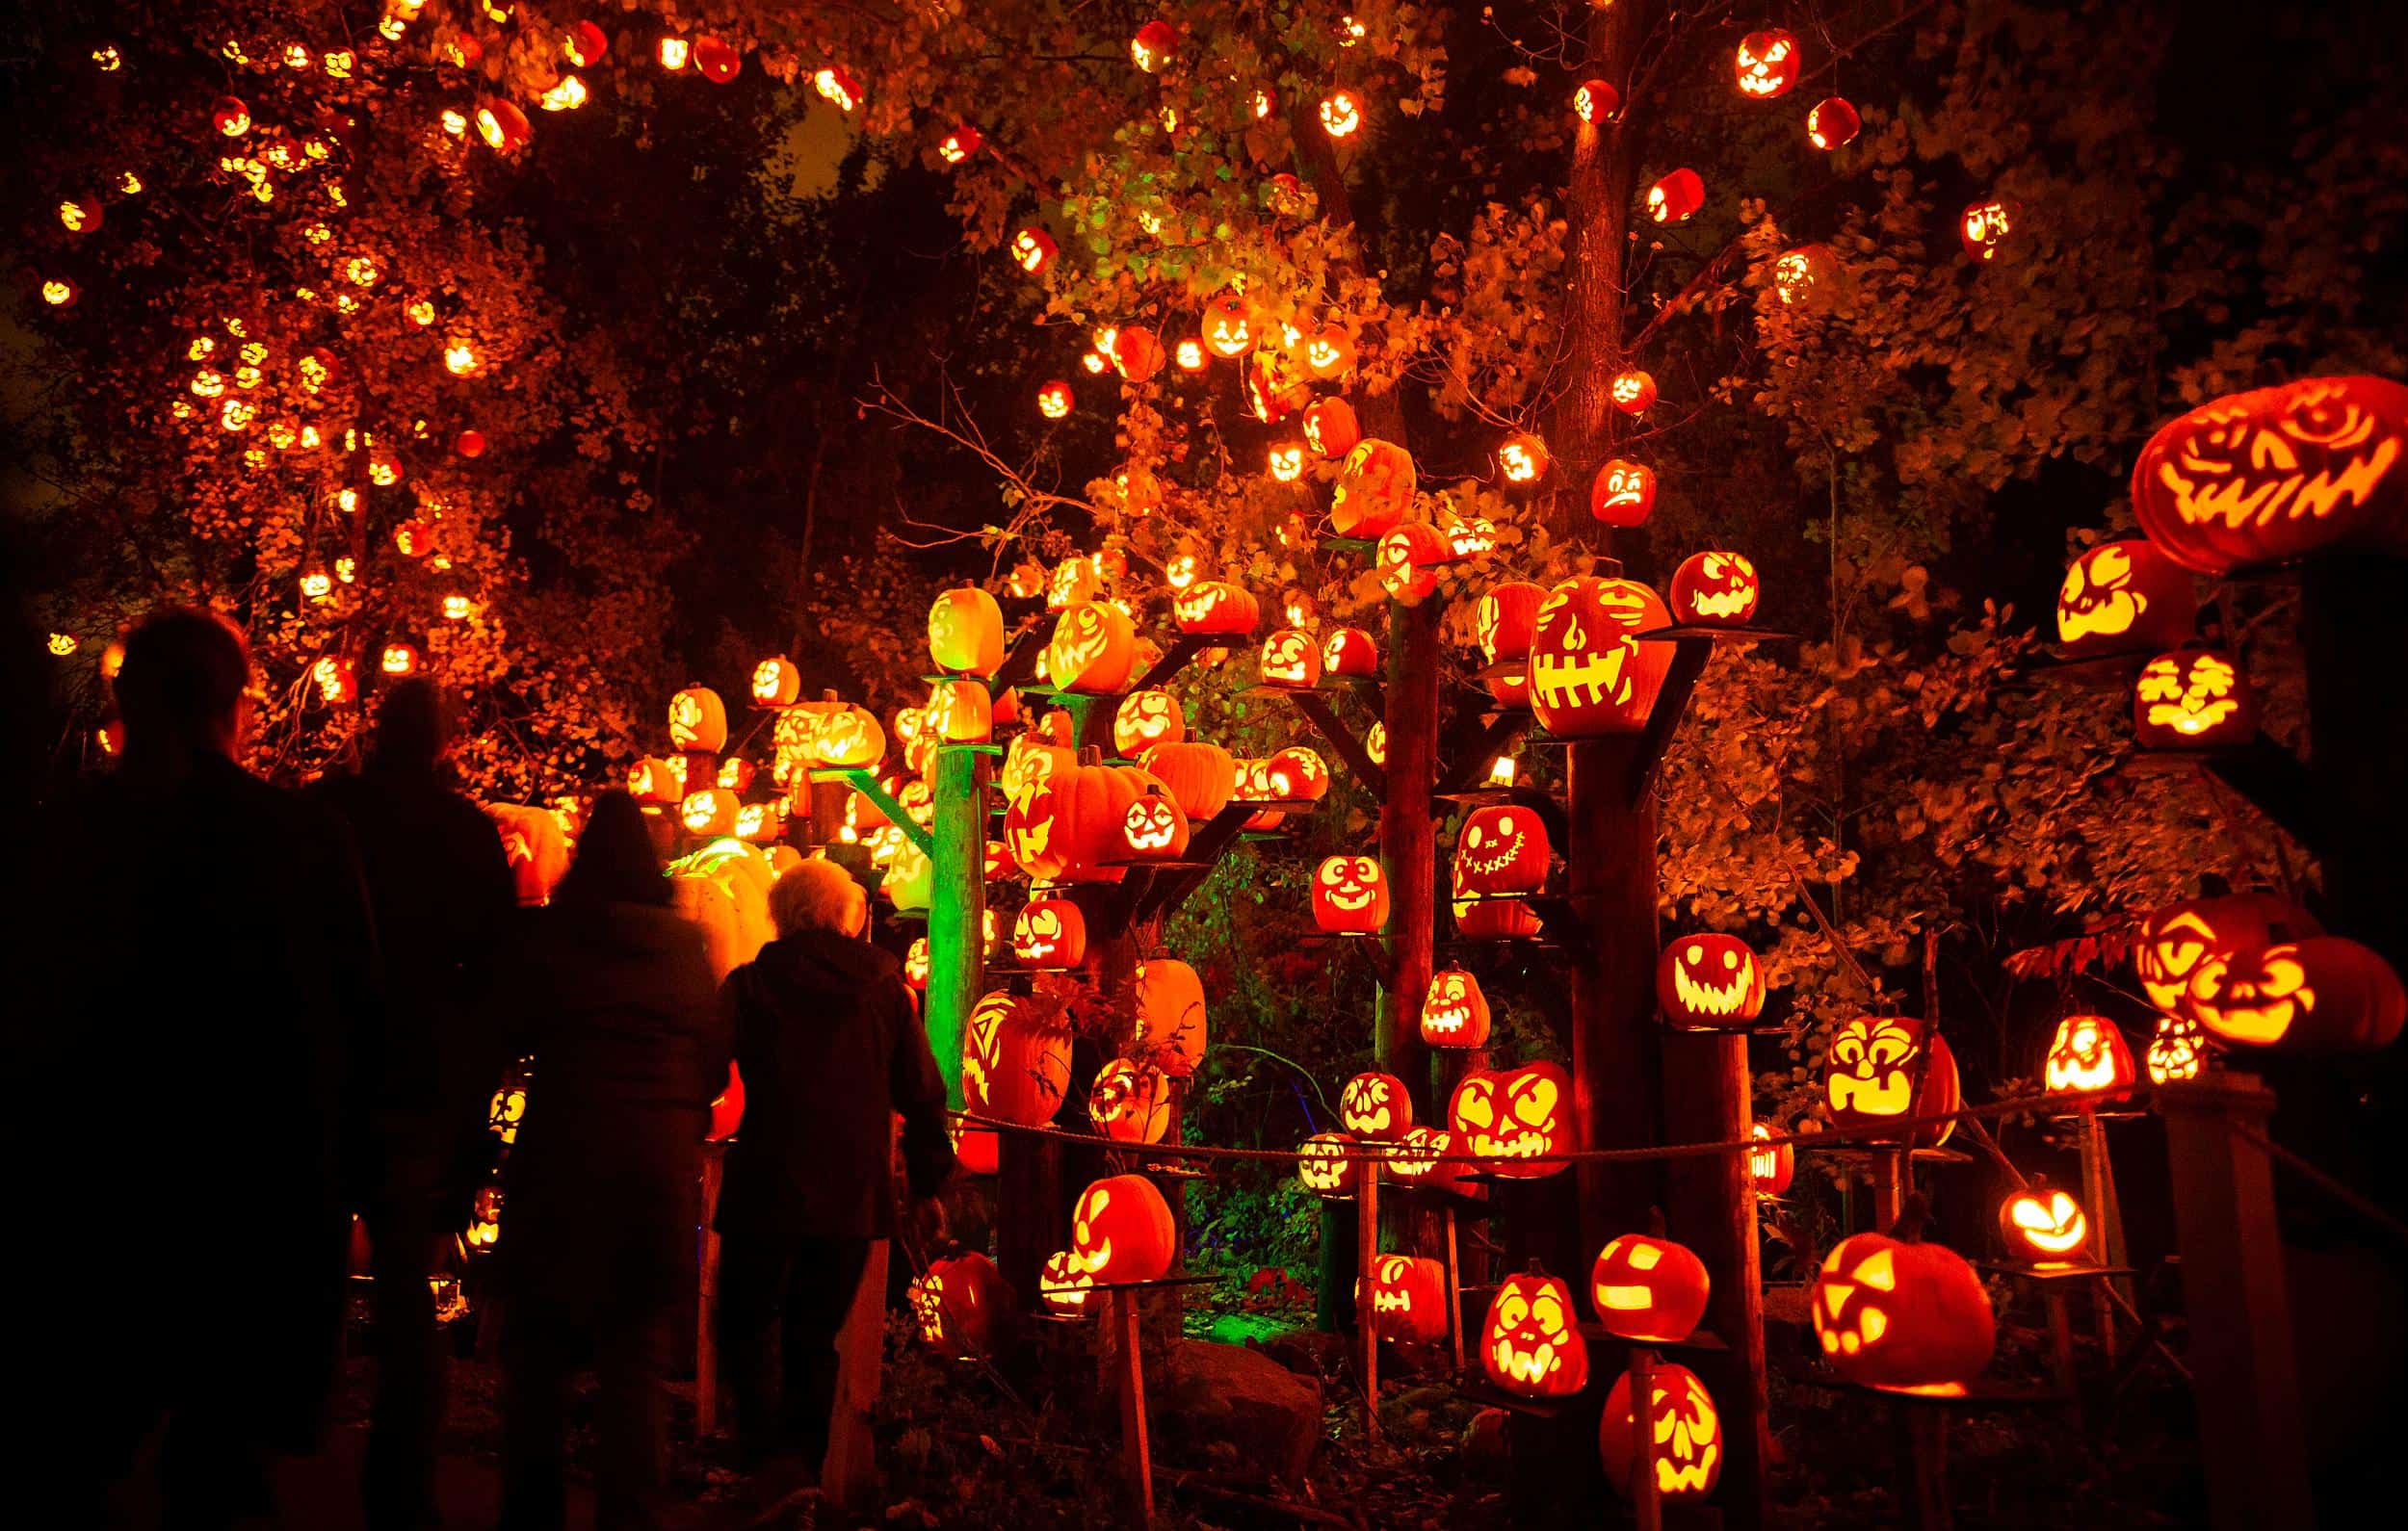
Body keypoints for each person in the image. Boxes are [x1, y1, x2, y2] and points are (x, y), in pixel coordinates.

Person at [31, 608, 379, 1526]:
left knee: (81, 1453)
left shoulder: (61, 838)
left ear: (125, 702)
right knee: (216, 1463)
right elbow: (353, 1019)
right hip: (249, 1202)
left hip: (96, 1194)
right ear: (237, 707)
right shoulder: (298, 841)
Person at [313, 677, 518, 1529]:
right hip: (419, 1086)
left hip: (322, 1075)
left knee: (288, 1264)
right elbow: (496, 979)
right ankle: (398, 1486)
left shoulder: (327, 818)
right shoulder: (467, 835)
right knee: (408, 1286)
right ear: (442, 742)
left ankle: (267, 1444)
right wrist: (475, 1100)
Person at [497, 791, 727, 1531]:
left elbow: (509, 1029)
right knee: (634, 1362)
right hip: (654, 1176)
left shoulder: (556, 935)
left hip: (565, 1160)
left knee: (540, 1360)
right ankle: (629, 1513)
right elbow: (714, 1059)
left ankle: (531, 1511)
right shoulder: (685, 949)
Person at [715, 857, 954, 1483]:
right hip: (851, 1193)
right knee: (813, 1336)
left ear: (780, 915)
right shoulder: (884, 992)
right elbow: (922, 1091)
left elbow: (703, 1069)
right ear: (846, 915)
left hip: (764, 1182)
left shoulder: (748, 986)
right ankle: (800, 1473)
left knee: (742, 1321)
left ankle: (759, 1458)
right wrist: (929, 1183)